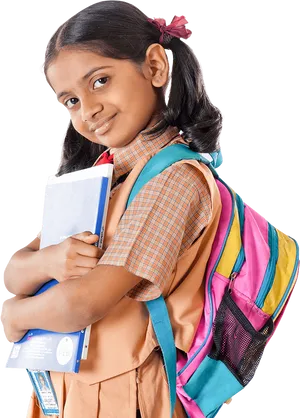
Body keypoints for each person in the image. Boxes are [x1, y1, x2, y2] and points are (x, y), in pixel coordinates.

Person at [1, 1, 223, 417]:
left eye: (100, 81)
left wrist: (13, 317)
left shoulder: (174, 180)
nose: (88, 110)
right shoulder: (105, 177)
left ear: (155, 67)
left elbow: (82, 302)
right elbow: (14, 270)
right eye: (69, 100)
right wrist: (49, 260)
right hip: (72, 397)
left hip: (131, 400)